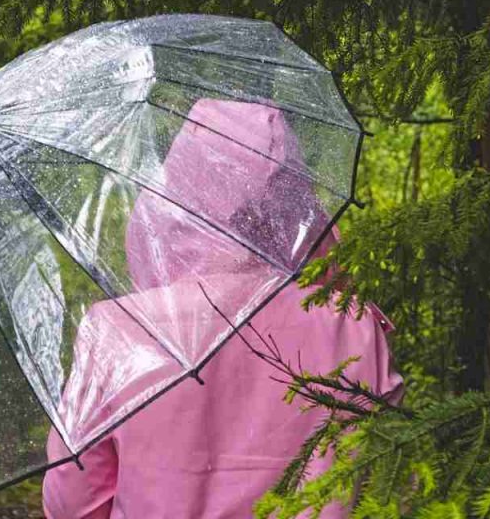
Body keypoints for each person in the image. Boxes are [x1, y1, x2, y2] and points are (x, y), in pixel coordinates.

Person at [41, 99, 402, 518]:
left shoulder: (116, 332)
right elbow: (382, 473)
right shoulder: (349, 323)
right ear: (293, 194)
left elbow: (71, 503)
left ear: (179, 186)